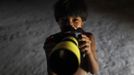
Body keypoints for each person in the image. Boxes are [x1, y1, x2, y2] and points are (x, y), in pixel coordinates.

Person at [43, 0, 99, 75]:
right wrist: (49, 56)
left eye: (75, 20)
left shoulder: (87, 38)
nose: (70, 24)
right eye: (64, 20)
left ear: (82, 22)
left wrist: (89, 53)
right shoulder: (54, 40)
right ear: (58, 21)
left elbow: (95, 71)